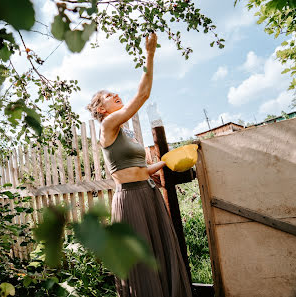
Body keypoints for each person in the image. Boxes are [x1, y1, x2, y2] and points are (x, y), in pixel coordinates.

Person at [86, 33, 192, 297]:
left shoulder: (128, 133)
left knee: (160, 253)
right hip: (130, 200)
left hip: (148, 194)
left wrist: (166, 161)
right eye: (110, 95)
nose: (116, 95)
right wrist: (150, 54)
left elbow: (141, 171)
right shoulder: (108, 127)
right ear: (101, 110)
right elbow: (143, 94)